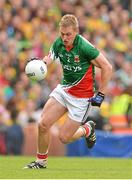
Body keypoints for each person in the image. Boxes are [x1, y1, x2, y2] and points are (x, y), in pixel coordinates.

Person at [24, 14, 112, 169]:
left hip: (81, 99)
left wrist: (101, 94)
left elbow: (107, 67)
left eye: (68, 35)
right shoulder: (59, 43)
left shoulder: (85, 47)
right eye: (62, 34)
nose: (64, 38)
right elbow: (48, 58)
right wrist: (39, 64)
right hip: (64, 90)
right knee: (43, 124)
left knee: (64, 137)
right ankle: (40, 162)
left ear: (76, 31)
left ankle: (87, 129)